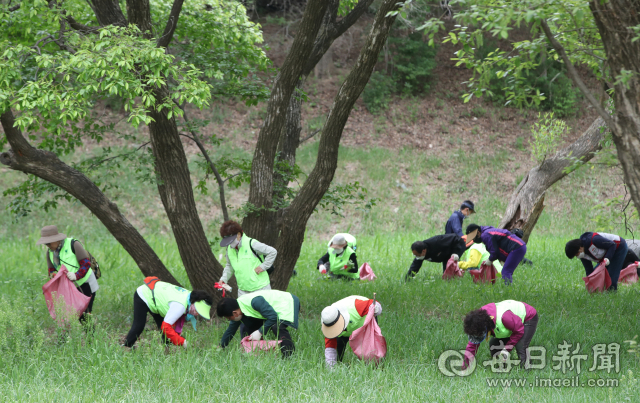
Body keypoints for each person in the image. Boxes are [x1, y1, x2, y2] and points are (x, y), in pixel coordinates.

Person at [123, 277, 212, 348]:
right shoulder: (180, 306)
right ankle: (127, 346)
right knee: (139, 325)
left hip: (156, 298)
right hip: (144, 294)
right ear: (193, 302)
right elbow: (166, 327)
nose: (197, 314)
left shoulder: (190, 296)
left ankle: (166, 349)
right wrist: (183, 342)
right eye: (197, 310)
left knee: (164, 327)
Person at [37, 225, 99, 324]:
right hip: (69, 287)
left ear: (56, 239)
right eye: (45, 243)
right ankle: (65, 339)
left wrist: (76, 275)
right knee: (65, 315)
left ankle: (92, 339)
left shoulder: (73, 244)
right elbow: (51, 270)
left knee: (84, 315)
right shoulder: (50, 252)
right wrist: (54, 275)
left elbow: (86, 264)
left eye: (49, 243)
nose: (47, 245)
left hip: (86, 283)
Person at [216, 290, 300, 357]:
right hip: (273, 310)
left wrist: (260, 331)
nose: (230, 320)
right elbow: (231, 330)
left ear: (235, 313)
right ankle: (254, 353)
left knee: (276, 326)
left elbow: (273, 317)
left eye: (229, 318)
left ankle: (289, 355)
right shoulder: (240, 307)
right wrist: (221, 346)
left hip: (287, 302)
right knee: (247, 325)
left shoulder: (254, 301)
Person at [463, 300, 538, 369]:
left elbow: (519, 330)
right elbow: (472, 345)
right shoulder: (476, 322)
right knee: (494, 344)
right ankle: (502, 368)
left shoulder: (504, 317)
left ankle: (526, 371)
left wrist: (506, 349)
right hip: (510, 325)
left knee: (521, 346)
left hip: (527, 317)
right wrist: (465, 367)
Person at [218, 220, 277, 296]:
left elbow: (272, 251)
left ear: (238, 235)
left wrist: (263, 266)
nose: (229, 243)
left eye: (231, 240)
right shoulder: (229, 249)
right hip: (243, 290)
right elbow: (229, 266)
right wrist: (223, 279)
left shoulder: (252, 244)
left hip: (261, 288)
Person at [320, 295, 382, 367]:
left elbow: (375, 303)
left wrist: (376, 310)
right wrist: (330, 369)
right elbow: (330, 348)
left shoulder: (356, 306)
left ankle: (373, 368)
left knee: (369, 350)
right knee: (338, 349)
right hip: (348, 329)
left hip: (364, 323)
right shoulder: (329, 321)